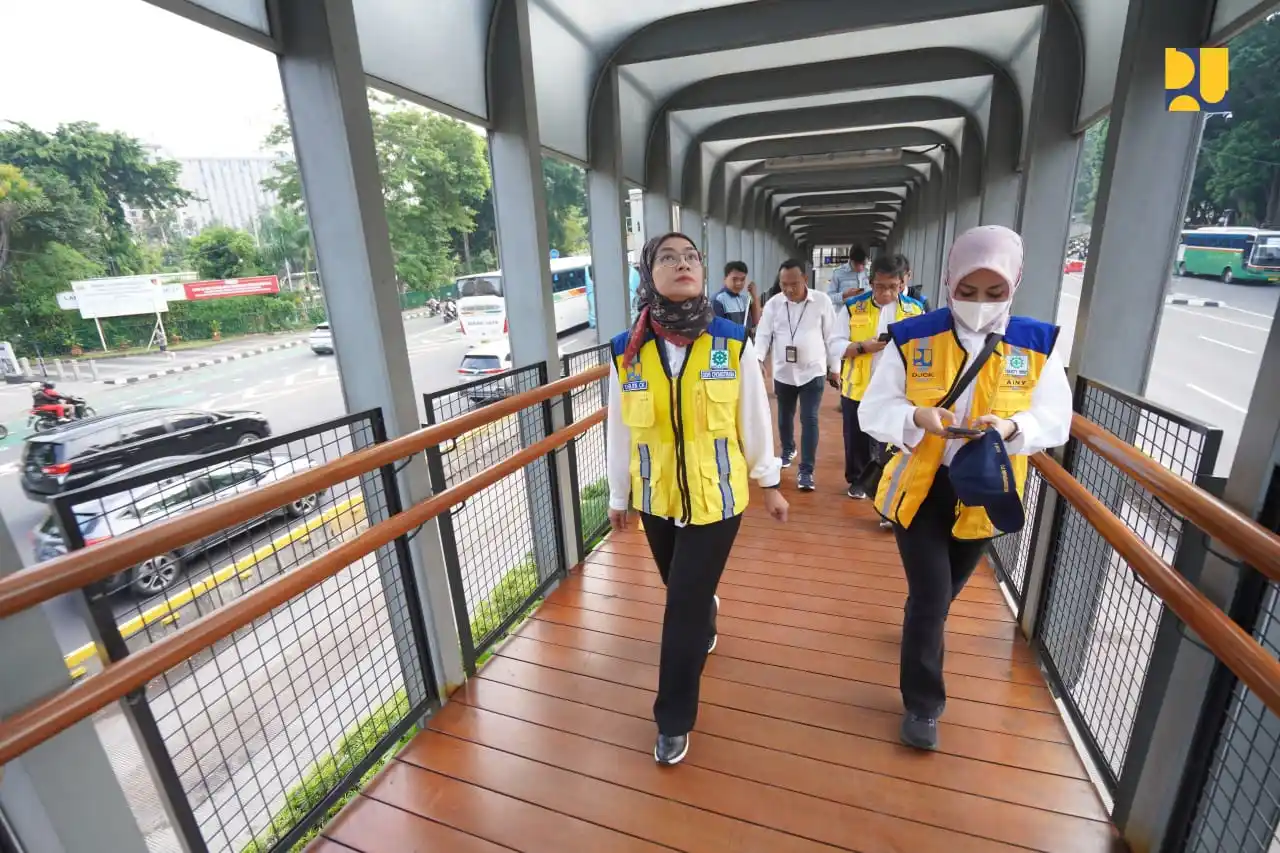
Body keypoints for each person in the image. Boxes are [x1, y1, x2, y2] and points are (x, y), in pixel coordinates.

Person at [859, 225, 1072, 752]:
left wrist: (1012, 428)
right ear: (949, 280)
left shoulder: (1038, 343)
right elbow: (873, 409)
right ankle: (924, 706)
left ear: (1015, 285)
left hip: (987, 489)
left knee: (940, 595)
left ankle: (919, 625)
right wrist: (916, 416)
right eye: (968, 291)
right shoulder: (914, 337)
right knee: (932, 597)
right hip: (922, 486)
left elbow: (1056, 417)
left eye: (994, 292)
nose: (979, 304)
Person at [606, 232, 789, 767]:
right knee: (681, 588)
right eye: (668, 257)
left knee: (679, 607)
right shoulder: (627, 349)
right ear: (649, 273)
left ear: (702, 271)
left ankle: (673, 718)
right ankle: (706, 609)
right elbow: (619, 428)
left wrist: (768, 482)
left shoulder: (732, 341)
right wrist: (620, 493)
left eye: (691, 257)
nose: (682, 264)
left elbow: (753, 416)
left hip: (719, 498)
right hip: (656, 499)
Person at [827, 255, 925, 507]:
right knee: (856, 437)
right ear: (870, 282)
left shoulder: (916, 310)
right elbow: (835, 343)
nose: (886, 293)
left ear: (904, 283)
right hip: (858, 385)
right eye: (880, 286)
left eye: (894, 286)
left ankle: (887, 490)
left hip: (898, 390)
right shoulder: (853, 306)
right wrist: (862, 346)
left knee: (891, 440)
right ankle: (857, 479)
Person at [755, 259, 840, 492]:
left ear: (805, 278)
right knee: (784, 416)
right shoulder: (774, 304)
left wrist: (835, 368)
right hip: (784, 371)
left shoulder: (821, 301)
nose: (788, 289)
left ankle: (806, 470)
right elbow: (763, 334)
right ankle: (787, 449)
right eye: (784, 284)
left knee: (809, 418)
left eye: (793, 283)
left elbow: (831, 337)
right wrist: (758, 359)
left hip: (813, 370)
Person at [711, 261, 760, 335]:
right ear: (725, 279)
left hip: (745, 344)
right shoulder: (718, 300)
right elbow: (717, 330)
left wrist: (754, 296)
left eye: (742, 279)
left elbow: (756, 321)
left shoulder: (744, 299)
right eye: (734, 279)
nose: (738, 283)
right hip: (731, 344)